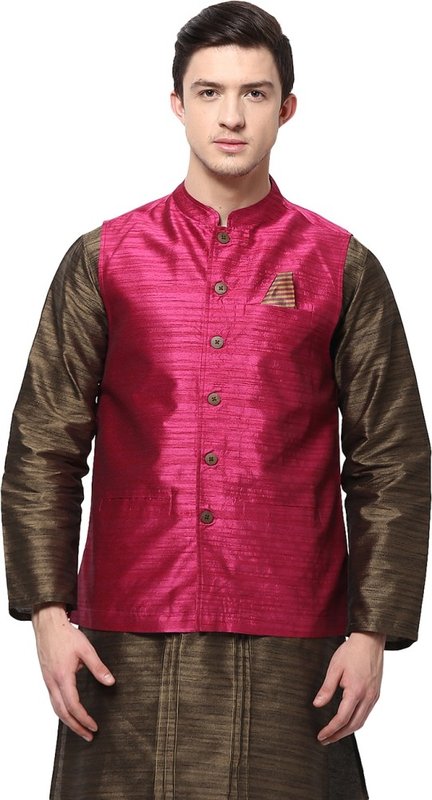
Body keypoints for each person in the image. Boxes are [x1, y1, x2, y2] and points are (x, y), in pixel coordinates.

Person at [1, 1, 430, 798]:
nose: (231, 116)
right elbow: (43, 448)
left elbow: (393, 460)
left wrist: (373, 632)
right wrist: (48, 617)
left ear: (286, 108)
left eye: (254, 93)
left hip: (295, 629)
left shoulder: (342, 265)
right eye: (209, 93)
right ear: (177, 104)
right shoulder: (105, 259)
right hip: (125, 627)